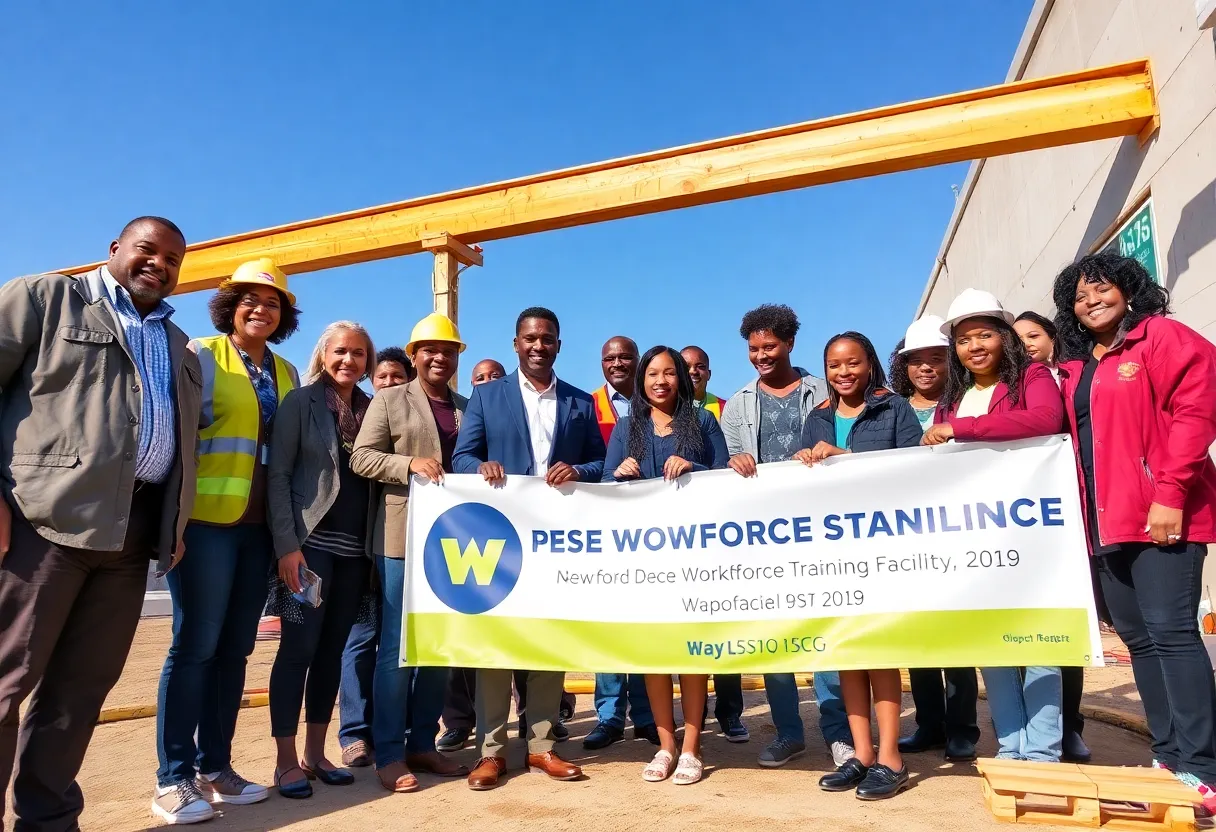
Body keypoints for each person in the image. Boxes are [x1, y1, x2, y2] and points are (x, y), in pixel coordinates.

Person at [0, 217, 199, 830]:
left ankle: (49, 820)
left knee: (80, 690)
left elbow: (180, 442)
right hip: (42, 521)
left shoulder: (177, 343)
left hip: (132, 535)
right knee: (7, 680)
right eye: (147, 250)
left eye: (173, 259)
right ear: (115, 249)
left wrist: (174, 524)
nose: (159, 264)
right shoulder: (45, 298)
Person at [1053, 252, 1216, 811]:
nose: (1090, 302)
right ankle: (1168, 754)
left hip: (1160, 515)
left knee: (1173, 634)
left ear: (1128, 291)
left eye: (1101, 289)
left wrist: (1170, 494)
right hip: (1104, 521)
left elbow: (1196, 412)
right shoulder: (1077, 364)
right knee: (1140, 640)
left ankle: (1204, 766)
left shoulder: (1160, 338)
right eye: (1079, 296)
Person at [153, 257, 301, 823]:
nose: (261, 310)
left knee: (235, 649)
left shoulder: (286, 373)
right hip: (206, 525)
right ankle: (173, 777)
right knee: (195, 646)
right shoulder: (201, 355)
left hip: (258, 530)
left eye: (272, 303)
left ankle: (216, 766)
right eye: (250, 300)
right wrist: (172, 523)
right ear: (230, 307)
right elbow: (174, 438)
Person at [452, 306, 606, 791]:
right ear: (516, 343)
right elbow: (462, 455)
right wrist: (481, 467)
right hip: (499, 540)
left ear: (559, 344)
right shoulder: (487, 396)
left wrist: (579, 470)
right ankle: (491, 752)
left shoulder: (581, 402)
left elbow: (601, 461)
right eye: (531, 338)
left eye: (548, 338)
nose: (539, 346)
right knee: (496, 644)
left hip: (557, 540)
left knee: (547, 639)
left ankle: (541, 746)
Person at [923, 288, 1065, 764]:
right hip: (974, 533)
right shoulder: (953, 396)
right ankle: (1011, 745)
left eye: (984, 335)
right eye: (964, 340)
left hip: (1028, 528)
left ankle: (1043, 750)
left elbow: (1046, 418)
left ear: (1004, 336)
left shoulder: (1032, 377)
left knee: (1040, 637)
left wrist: (962, 429)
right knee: (993, 640)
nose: (974, 347)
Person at [720, 304, 853, 769]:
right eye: (753, 348)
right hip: (764, 535)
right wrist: (734, 462)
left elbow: (847, 447)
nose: (761, 355)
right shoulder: (737, 405)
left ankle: (839, 733)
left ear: (791, 343)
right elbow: (729, 461)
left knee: (826, 631)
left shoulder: (824, 391)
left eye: (770, 346)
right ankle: (788, 733)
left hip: (821, 530)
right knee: (774, 635)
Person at [350, 313, 472, 793]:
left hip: (453, 541)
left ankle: (423, 742)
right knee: (397, 646)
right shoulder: (389, 399)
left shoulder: (466, 407)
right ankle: (389, 752)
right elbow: (362, 457)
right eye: (430, 350)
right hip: (401, 537)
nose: (439, 357)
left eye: (448, 350)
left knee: (438, 645)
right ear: (414, 355)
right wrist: (409, 464)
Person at [801, 332, 922, 800]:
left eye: (852, 363)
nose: (843, 372)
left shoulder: (894, 408)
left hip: (881, 548)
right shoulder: (817, 417)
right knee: (848, 652)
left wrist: (847, 458)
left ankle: (891, 758)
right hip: (833, 554)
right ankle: (863, 754)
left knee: (880, 652)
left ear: (869, 364)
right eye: (834, 365)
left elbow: (914, 467)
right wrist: (802, 461)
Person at [602, 346, 729, 785]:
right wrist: (619, 474)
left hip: (694, 557)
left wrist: (694, 466)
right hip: (645, 561)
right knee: (655, 653)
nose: (661, 381)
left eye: (669, 373)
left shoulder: (703, 421)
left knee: (692, 652)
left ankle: (692, 747)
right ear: (642, 380)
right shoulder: (627, 427)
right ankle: (665, 744)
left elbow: (725, 476)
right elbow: (604, 484)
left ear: (682, 379)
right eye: (652, 373)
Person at [263, 322, 375, 798]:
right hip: (310, 550)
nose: (349, 360)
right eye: (340, 351)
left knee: (331, 654)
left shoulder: (371, 409)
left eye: (358, 353)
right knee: (298, 650)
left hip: (354, 555)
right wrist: (287, 547)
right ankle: (285, 761)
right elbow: (278, 475)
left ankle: (315, 753)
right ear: (323, 354)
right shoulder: (300, 402)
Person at [889, 317, 981, 764]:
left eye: (935, 358)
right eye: (916, 360)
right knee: (919, 635)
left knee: (956, 635)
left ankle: (962, 729)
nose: (925, 368)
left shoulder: (966, 401)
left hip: (954, 530)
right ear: (903, 366)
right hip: (905, 536)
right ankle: (929, 725)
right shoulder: (891, 407)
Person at [1015, 309, 1093, 764]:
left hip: (1068, 513)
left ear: (1052, 337)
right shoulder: (1010, 386)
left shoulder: (1073, 379)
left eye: (1033, 334)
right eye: (1017, 337)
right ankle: (1027, 729)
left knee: (1064, 631)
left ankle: (1070, 728)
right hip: (1023, 520)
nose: (1026, 343)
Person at [437, 356, 520, 755]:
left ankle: (542, 717)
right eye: (479, 378)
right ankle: (461, 722)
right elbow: (463, 457)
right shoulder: (474, 410)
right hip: (471, 528)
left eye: (494, 376)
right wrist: (478, 467)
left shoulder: (515, 407)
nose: (487, 382)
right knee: (470, 631)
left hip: (526, 525)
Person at [337, 347, 414, 768]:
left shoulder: (407, 412)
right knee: (362, 638)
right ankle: (354, 732)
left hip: (394, 539)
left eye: (396, 376)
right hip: (356, 545)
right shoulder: (359, 412)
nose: (388, 382)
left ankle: (399, 727)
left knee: (399, 639)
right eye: (381, 376)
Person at [585, 335, 657, 752]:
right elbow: (590, 464)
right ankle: (609, 716)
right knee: (610, 625)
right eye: (609, 357)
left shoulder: (661, 406)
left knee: (647, 626)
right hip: (608, 533)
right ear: (601, 362)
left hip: (656, 535)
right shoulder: (586, 405)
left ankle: (647, 716)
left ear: (637, 361)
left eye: (625, 357)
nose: (617, 363)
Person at [680, 345, 746, 743]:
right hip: (675, 539)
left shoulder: (722, 409)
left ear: (709, 372)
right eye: (685, 367)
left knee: (723, 629)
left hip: (718, 533)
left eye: (699, 367)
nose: (693, 373)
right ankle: (691, 718)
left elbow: (726, 466)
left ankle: (730, 712)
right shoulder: (653, 414)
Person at [1013, 311, 1059, 379]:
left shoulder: (1073, 369)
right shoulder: (1016, 380)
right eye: (1018, 341)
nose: (1026, 344)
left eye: (1033, 336)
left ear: (1052, 337)